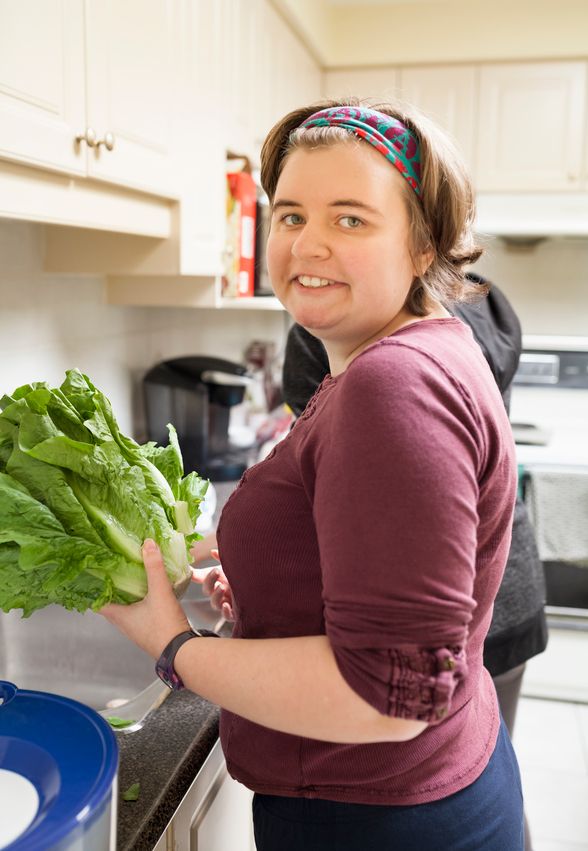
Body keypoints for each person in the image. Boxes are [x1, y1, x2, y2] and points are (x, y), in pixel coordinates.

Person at [101, 99, 524, 850]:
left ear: (423, 247)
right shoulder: (419, 348)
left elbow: (388, 697)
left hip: (373, 818)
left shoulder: (391, 387)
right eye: (291, 215)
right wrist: (279, 587)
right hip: (429, 785)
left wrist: (173, 645)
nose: (308, 245)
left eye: (350, 218)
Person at [282, 276, 548, 851]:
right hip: (503, 576)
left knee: (435, 771)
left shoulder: (345, 315)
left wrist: (180, 650)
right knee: (473, 760)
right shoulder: (485, 299)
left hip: (429, 592)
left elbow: (335, 463)